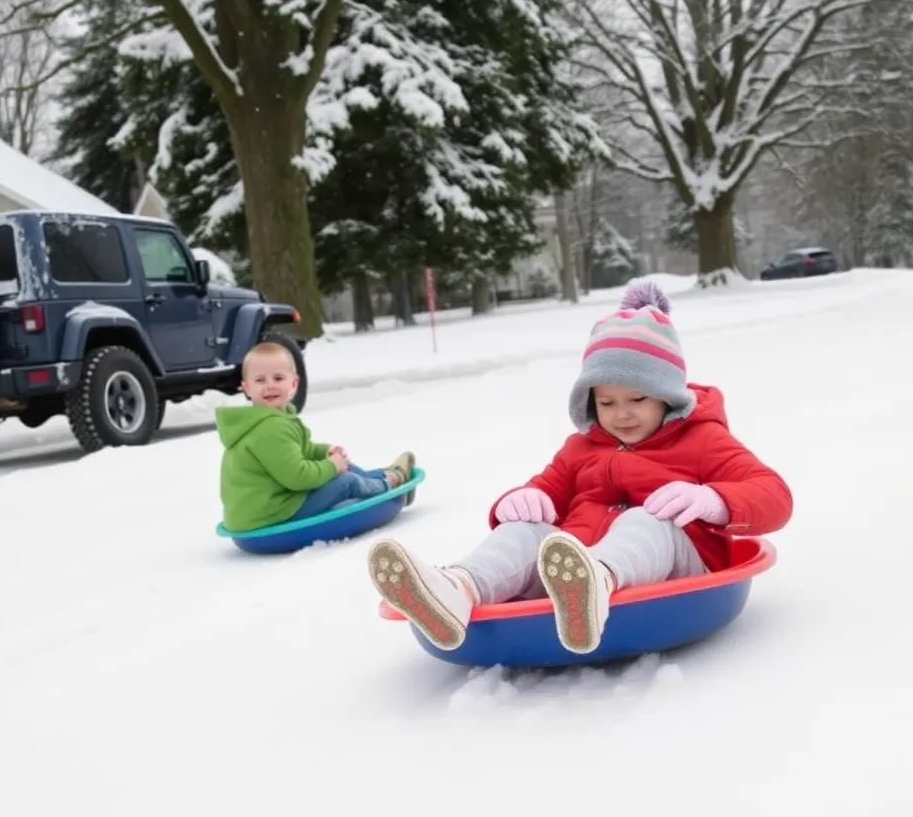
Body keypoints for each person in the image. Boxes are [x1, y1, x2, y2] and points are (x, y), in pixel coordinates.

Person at [367, 281, 793, 655]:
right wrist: (523, 499)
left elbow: (774, 495)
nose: (621, 414)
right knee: (525, 531)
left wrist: (712, 499)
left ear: (667, 395)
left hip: (676, 564)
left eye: (637, 400)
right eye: (607, 403)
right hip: (568, 572)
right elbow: (546, 490)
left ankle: (597, 585)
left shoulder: (702, 439)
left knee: (647, 519)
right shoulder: (581, 448)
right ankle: (455, 592)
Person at [216, 341, 416, 533]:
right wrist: (332, 466)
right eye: (260, 380)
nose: (270, 386)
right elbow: (298, 477)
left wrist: (324, 451)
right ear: (247, 388)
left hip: (263, 508)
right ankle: (390, 487)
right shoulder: (270, 428)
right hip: (269, 515)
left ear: (293, 383)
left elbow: (300, 452)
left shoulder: (273, 418)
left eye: (278, 378)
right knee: (345, 482)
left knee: (342, 469)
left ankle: (382, 475)